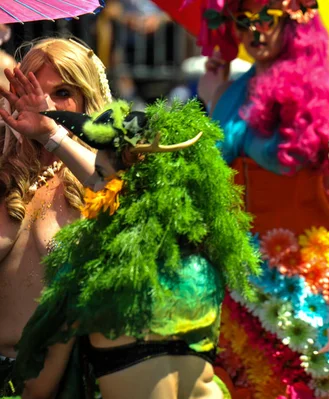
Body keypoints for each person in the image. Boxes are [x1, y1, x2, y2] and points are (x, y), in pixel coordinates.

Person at [1, 89, 260, 398]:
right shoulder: (202, 265)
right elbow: (119, 182)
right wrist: (53, 136)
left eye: (99, 177)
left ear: (120, 185)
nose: (93, 189)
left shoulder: (94, 271)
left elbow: (39, 386)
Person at [197, 0, 329, 396]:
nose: (254, 31)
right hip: (238, 274)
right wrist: (212, 98)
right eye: (242, 21)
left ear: (293, 23)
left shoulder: (315, 96)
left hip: (303, 277)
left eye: (267, 18)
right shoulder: (227, 91)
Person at [0, 37, 111, 397]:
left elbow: (119, 187)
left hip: (73, 383)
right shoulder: (2, 174)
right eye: (30, 91)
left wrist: (53, 134)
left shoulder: (100, 182)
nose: (45, 105)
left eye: (62, 93)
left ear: (87, 100)